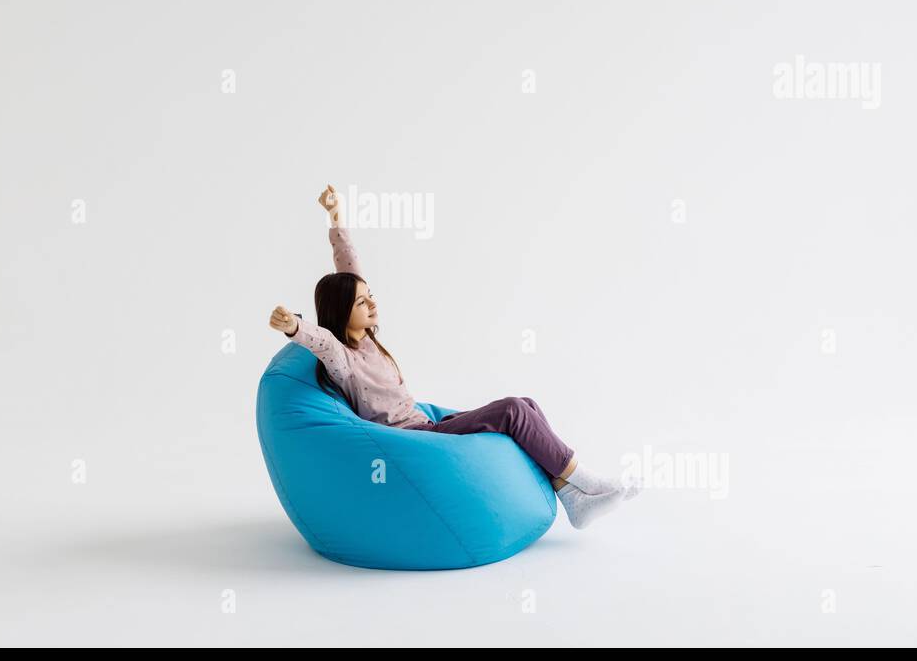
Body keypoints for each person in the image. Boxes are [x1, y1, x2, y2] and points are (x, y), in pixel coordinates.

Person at [267, 185, 641, 529]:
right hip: (415, 436)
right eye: (361, 302)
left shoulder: (367, 338)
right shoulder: (343, 359)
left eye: (370, 295)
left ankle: (571, 495)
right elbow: (321, 342)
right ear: (341, 313)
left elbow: (350, 269)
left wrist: (336, 219)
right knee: (512, 409)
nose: (372, 303)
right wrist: (293, 327)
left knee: (526, 404)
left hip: (428, 425)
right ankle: (585, 479)